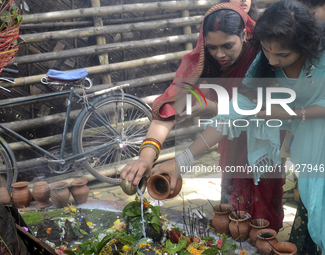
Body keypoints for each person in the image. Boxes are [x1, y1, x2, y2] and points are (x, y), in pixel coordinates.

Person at [161, 0, 325, 251]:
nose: (273, 60)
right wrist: (182, 160)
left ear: (305, 46)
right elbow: (230, 115)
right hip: (307, 144)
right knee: (316, 208)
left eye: (283, 55)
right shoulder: (264, 67)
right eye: (268, 51)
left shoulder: (321, 57)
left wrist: (289, 112)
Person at [121, 2, 285, 231]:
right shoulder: (204, 63)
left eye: (228, 46)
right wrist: (146, 158)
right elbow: (169, 108)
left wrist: (210, 107)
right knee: (232, 208)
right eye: (212, 47)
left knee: (262, 216)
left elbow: (253, 109)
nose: (220, 54)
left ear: (245, 35)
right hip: (228, 140)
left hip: (264, 143)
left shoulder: (264, 53)